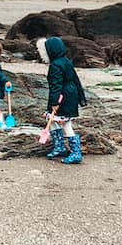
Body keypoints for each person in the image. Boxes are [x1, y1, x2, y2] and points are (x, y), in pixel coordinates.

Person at [37, 36, 87, 164]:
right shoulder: (66, 61)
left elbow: (56, 85)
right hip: (70, 94)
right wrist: (80, 97)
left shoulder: (55, 65)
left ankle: (76, 153)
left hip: (63, 96)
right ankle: (59, 146)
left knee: (65, 123)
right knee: (52, 119)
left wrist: (54, 102)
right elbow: (75, 80)